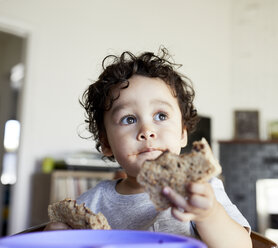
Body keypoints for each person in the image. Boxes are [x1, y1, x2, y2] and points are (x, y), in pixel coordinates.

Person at [45, 48, 252, 248]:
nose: (147, 130)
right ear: (107, 143)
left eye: (161, 116)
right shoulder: (90, 203)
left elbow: (242, 246)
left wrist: (209, 215)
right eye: (129, 119)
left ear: (182, 133)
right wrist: (56, 238)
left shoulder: (200, 190)